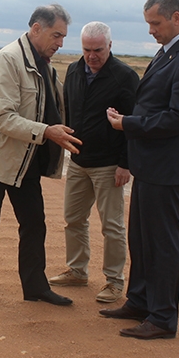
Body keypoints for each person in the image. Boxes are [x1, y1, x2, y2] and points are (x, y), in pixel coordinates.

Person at [0, 4, 82, 321]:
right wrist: (46, 132)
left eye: (64, 36)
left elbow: (56, 104)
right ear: (36, 28)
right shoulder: (9, 60)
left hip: (25, 162)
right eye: (56, 35)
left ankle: (35, 287)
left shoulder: (44, 65)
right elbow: (3, 119)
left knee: (35, 224)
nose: (61, 43)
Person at [102, 0, 179, 339]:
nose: (151, 30)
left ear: (176, 17)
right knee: (141, 238)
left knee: (161, 244)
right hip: (150, 164)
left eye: (156, 23)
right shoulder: (171, 52)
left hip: (167, 167)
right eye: (149, 23)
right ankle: (139, 301)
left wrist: (128, 125)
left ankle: (163, 317)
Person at [48, 22, 139, 303]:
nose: (92, 56)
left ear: (110, 46)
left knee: (111, 226)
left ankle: (114, 282)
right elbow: (69, 111)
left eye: (98, 50)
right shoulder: (74, 70)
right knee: (73, 219)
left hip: (109, 165)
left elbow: (134, 124)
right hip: (78, 161)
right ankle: (77, 270)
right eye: (87, 50)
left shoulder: (125, 77)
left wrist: (126, 164)